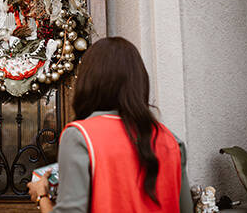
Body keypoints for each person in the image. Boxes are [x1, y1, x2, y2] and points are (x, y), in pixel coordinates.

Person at [27, 37, 193, 213]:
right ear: (140, 82)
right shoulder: (171, 141)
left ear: (88, 82)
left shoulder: (80, 136)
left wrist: (41, 196)